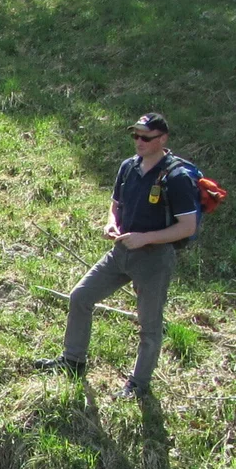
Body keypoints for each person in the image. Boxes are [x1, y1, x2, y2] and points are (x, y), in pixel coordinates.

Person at [36, 112, 197, 400]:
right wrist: (112, 223)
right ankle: (73, 360)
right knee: (81, 296)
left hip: (154, 259)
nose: (138, 141)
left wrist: (144, 239)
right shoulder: (128, 167)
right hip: (121, 250)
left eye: (145, 137)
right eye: (135, 135)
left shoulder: (177, 176)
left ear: (162, 139)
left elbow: (187, 226)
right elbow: (115, 204)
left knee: (149, 324)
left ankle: (139, 385)